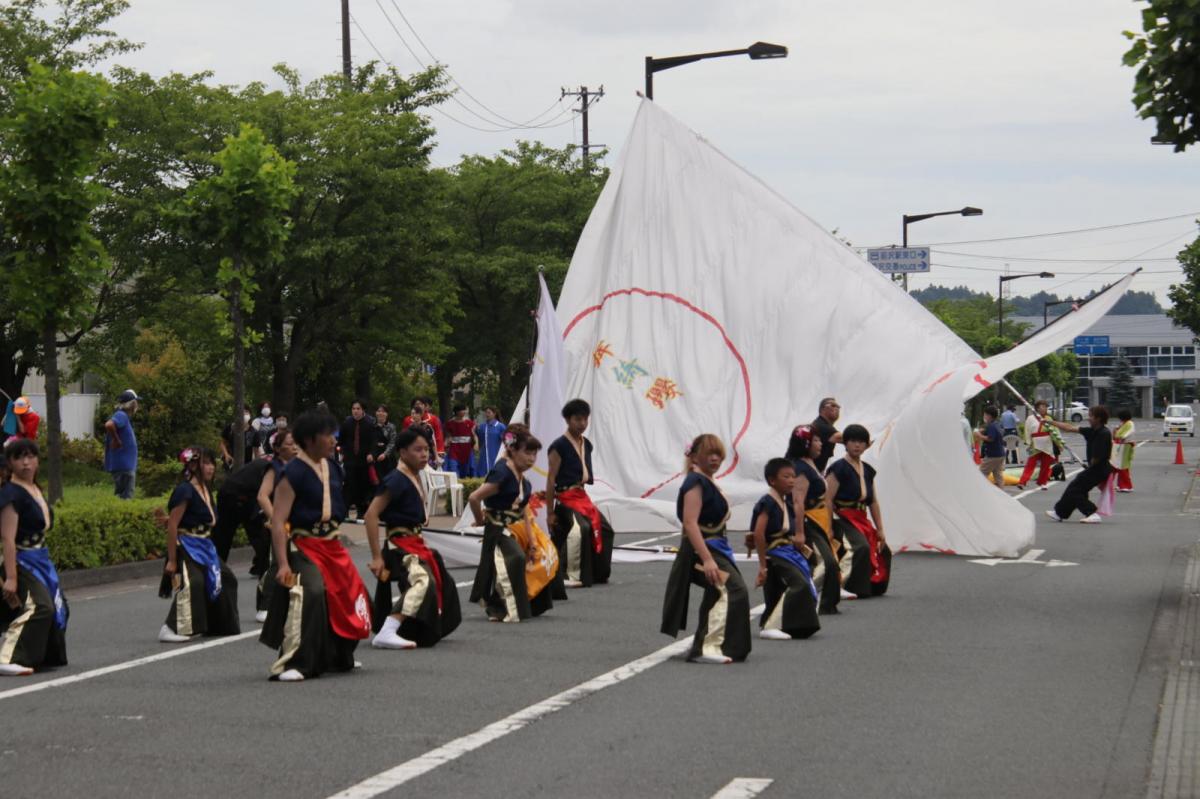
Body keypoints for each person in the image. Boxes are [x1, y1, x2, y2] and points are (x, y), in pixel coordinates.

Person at [260, 410, 373, 682]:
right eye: (327, 435)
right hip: (303, 545)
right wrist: (283, 563)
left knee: (355, 593)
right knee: (310, 592)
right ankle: (295, 662)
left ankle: (338, 655)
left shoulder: (333, 467)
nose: (333, 441)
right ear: (310, 440)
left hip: (331, 544)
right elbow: (278, 521)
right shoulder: (293, 472)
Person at [365, 429, 462, 649]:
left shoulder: (413, 475)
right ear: (402, 452)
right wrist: (376, 557)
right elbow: (371, 514)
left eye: (427, 449)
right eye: (418, 450)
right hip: (399, 545)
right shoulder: (395, 479)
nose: (424, 454)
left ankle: (420, 628)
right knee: (422, 581)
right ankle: (388, 630)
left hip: (414, 541)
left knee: (443, 581)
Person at [660, 433, 751, 664]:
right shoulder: (695, 482)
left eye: (718, 454)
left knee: (720, 591)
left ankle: (713, 645)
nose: (714, 459)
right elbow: (690, 523)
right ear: (695, 457)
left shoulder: (708, 481)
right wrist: (707, 559)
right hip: (701, 549)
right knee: (730, 588)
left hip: (717, 547)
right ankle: (708, 648)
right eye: (708, 454)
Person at [468, 424, 558, 622]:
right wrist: (479, 520)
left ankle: (532, 602)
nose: (531, 459)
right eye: (528, 453)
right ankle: (500, 607)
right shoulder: (502, 472)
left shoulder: (520, 475)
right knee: (515, 558)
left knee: (545, 555)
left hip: (517, 526)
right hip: (500, 528)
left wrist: (533, 541)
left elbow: (524, 510)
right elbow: (474, 498)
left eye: (535, 454)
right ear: (512, 449)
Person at [0, 439, 68, 676]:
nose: (26, 462)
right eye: (19, 458)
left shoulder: (35, 488)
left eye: (30, 457)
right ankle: (8, 656)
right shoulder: (11, 493)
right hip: (21, 560)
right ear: (10, 463)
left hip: (40, 558)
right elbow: (8, 539)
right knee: (38, 606)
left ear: (38, 460)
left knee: (58, 607)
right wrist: (11, 577)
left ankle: (42, 656)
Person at [158, 447, 240, 643]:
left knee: (226, 579)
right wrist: (171, 560)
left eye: (212, 463)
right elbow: (173, 526)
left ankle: (216, 625)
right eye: (206, 463)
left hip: (205, 545)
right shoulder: (185, 490)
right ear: (193, 465)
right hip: (187, 545)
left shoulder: (205, 489)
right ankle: (170, 628)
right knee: (193, 582)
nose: (211, 468)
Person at [545, 399, 615, 589]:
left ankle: (598, 573)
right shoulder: (558, 446)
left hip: (581, 495)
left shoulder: (587, 444)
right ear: (568, 420)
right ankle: (569, 574)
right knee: (580, 529)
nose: (582, 424)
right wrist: (549, 512)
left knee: (606, 530)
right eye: (578, 419)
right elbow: (551, 479)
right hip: (565, 497)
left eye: (585, 419)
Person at [750, 458, 820, 641]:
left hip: (787, 551)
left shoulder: (785, 502)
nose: (791, 480)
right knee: (798, 584)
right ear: (772, 480)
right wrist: (762, 565)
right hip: (775, 552)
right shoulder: (768, 502)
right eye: (786, 476)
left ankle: (794, 625)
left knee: (778, 589)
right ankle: (771, 625)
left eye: (793, 477)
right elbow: (758, 533)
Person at [825, 424, 891, 599]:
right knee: (860, 547)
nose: (857, 445)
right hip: (842, 517)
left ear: (866, 445)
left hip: (861, 517)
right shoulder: (838, 468)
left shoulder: (868, 470)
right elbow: (828, 499)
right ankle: (848, 586)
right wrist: (828, 526)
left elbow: (873, 501)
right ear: (845, 444)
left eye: (861, 442)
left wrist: (881, 529)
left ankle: (873, 587)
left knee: (883, 548)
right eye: (853, 441)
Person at [785, 424, 842, 615]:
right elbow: (797, 502)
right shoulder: (800, 467)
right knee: (825, 563)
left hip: (820, 518)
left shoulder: (810, 463)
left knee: (830, 561)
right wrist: (800, 532)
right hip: (809, 521)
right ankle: (813, 601)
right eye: (816, 440)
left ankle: (825, 604)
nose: (820, 444)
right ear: (806, 443)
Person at [251, 430, 297, 622]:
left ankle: (288, 601)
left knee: (295, 562)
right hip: (281, 523)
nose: (294, 447)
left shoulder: (298, 466)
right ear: (277, 448)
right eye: (289, 444)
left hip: (297, 522)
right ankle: (266, 605)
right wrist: (277, 520)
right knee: (279, 562)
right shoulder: (274, 468)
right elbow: (262, 496)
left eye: (296, 443)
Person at [1046, 406, 1113, 523]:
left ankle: (1092, 513)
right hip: (1095, 468)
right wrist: (1050, 422)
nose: (1088, 418)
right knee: (1076, 488)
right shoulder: (1091, 431)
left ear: (1098, 418)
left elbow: (1097, 457)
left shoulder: (1103, 433)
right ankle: (1060, 513)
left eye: (1091, 416)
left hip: (1099, 469)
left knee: (1075, 489)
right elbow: (1069, 428)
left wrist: (1090, 466)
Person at [338, 400, 377, 518]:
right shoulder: (347, 423)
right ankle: (344, 512)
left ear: (363, 410)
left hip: (364, 460)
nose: (355, 411)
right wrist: (342, 451)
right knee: (348, 485)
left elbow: (374, 441)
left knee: (363, 486)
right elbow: (341, 440)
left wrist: (371, 453)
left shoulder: (370, 424)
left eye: (358, 409)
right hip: (349, 459)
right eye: (353, 409)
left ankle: (361, 512)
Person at [103, 389, 139, 500]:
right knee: (126, 498)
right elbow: (109, 425)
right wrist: (117, 440)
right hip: (124, 467)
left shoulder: (124, 417)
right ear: (132, 404)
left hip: (124, 466)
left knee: (122, 497)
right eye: (136, 402)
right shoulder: (121, 415)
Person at [1016, 400, 1057, 491]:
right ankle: (1022, 482)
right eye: (1042, 406)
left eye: (1045, 406)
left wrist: (1059, 443)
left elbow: (1055, 432)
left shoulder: (1049, 419)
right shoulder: (1030, 418)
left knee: (1046, 465)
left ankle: (1043, 482)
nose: (1044, 408)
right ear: (1037, 408)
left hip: (1047, 443)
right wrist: (1028, 442)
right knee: (1030, 464)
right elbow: (1027, 431)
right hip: (1035, 443)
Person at [401, 399, 445, 467]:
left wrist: (437, 454)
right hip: (413, 453)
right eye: (412, 413)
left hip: (426, 453)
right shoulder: (409, 426)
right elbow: (404, 440)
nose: (414, 415)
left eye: (416, 413)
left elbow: (433, 441)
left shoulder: (428, 425)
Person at [974, 406, 1007, 490]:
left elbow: (990, 438)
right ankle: (1002, 492)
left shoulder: (991, 426)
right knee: (998, 474)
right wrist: (983, 431)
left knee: (982, 473)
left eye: (985, 414)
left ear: (989, 415)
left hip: (993, 455)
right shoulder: (997, 424)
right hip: (1000, 454)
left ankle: (980, 491)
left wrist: (979, 435)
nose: (984, 416)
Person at [443, 405, 476, 478]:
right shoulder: (450, 423)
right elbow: (448, 437)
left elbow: (473, 435)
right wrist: (445, 446)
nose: (464, 412)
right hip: (454, 449)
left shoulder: (469, 423)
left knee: (464, 470)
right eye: (462, 410)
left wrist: (475, 445)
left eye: (464, 410)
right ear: (457, 412)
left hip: (466, 450)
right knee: (453, 468)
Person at [811, 397, 842, 473]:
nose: (837, 408)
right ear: (822, 409)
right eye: (832, 405)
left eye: (838, 407)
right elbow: (845, 438)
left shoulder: (826, 426)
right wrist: (862, 436)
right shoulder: (820, 425)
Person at [220, 405, 257, 470]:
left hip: (247, 465)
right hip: (231, 463)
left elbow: (256, 451)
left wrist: (256, 465)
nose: (244, 414)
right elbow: (222, 443)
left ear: (250, 415)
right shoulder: (230, 428)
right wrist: (226, 455)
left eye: (246, 412)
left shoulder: (253, 431)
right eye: (242, 412)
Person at [474, 406, 507, 475]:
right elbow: (475, 435)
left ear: (494, 414)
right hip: (483, 457)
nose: (487, 414)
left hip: (496, 455)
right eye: (486, 413)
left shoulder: (501, 426)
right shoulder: (481, 427)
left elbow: (509, 440)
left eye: (489, 412)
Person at [371, 404, 398, 479]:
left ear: (387, 414)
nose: (381, 413)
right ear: (376, 413)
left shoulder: (391, 427)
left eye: (383, 411)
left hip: (387, 459)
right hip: (374, 457)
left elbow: (393, 442)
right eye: (379, 411)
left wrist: (385, 454)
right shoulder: (371, 425)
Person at [1112, 410, 1135, 492]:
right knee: (1117, 466)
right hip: (1120, 446)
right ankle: (1120, 485)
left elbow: (1124, 435)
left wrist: (1118, 434)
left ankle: (1127, 486)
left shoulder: (1129, 424)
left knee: (1122, 467)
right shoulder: (1124, 424)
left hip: (1126, 446)